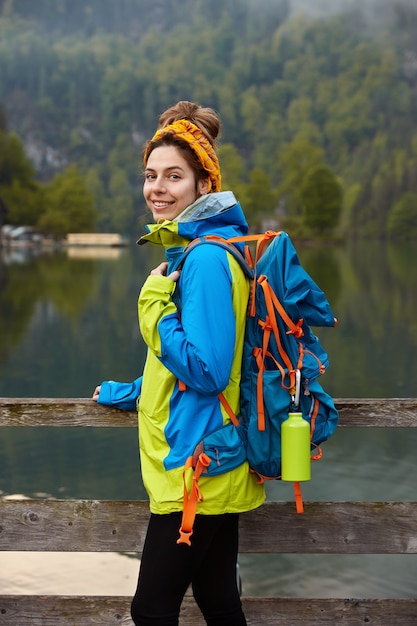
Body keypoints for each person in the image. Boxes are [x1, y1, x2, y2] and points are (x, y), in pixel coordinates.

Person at [92, 100, 265, 626]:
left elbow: (210, 370)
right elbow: (191, 365)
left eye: (174, 176)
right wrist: (133, 392)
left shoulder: (208, 259)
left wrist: (151, 309)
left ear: (204, 186)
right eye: (150, 175)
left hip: (198, 469)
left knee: (152, 610)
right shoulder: (195, 252)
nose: (157, 188)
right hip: (212, 458)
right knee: (218, 601)